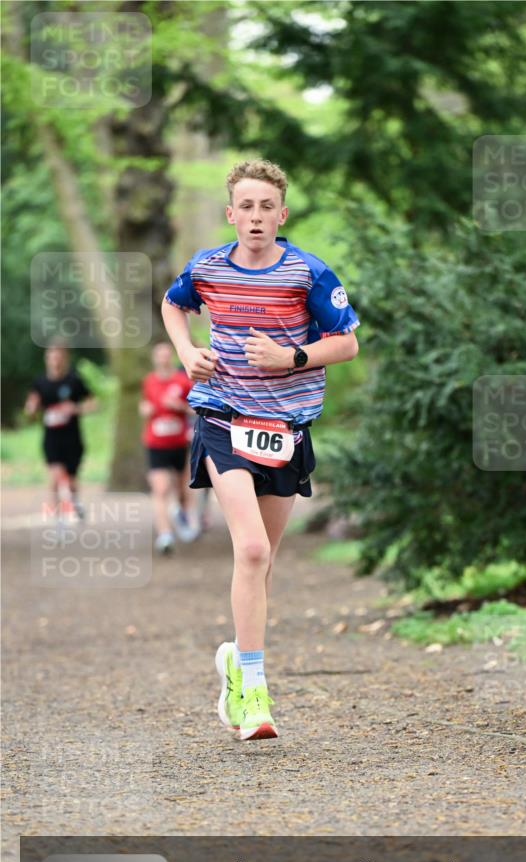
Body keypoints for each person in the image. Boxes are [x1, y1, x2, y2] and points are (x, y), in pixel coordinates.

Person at [161, 158, 360, 741]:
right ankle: (254, 690)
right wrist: (185, 350)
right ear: (231, 214)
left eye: (265, 207)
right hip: (223, 417)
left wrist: (291, 358)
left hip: (287, 428)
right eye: (245, 207)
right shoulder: (207, 266)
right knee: (249, 550)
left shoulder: (308, 273)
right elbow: (175, 304)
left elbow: (346, 343)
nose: (255, 217)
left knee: (264, 561)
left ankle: (233, 664)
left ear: (282, 214)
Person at [24, 340, 96, 520]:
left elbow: (92, 403)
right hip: (51, 438)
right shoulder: (40, 382)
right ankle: (57, 518)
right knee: (56, 477)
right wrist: (31, 409)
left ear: (65, 359)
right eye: (51, 357)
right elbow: (31, 406)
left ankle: (74, 501)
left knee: (70, 481)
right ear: (46, 359)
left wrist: (76, 408)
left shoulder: (74, 381)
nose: (55, 360)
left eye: (58, 357)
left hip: (72, 438)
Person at [140, 341, 197, 554]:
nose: (163, 358)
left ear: (171, 356)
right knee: (160, 488)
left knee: (182, 490)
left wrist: (180, 407)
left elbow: (196, 409)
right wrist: (144, 409)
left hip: (179, 442)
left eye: (166, 355)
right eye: (159, 355)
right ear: (154, 358)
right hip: (155, 442)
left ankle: (181, 512)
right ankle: (165, 535)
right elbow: (144, 404)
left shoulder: (182, 381)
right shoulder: (148, 381)